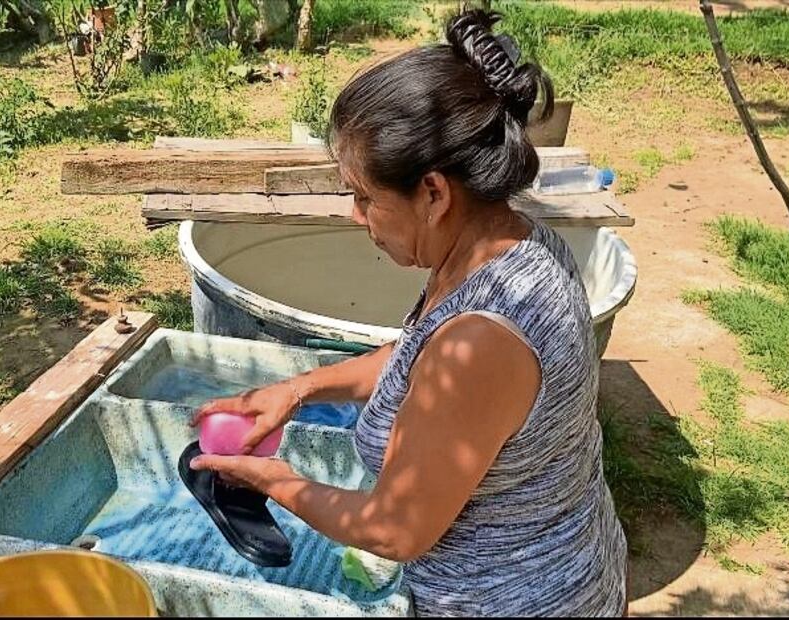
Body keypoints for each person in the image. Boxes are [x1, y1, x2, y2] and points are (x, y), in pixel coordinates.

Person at [189, 7, 627, 616]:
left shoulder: (478, 344)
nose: (353, 214)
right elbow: (419, 361)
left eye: (365, 196)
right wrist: (299, 391)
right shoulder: (512, 242)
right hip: (568, 560)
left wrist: (271, 481)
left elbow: (396, 531)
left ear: (433, 192)